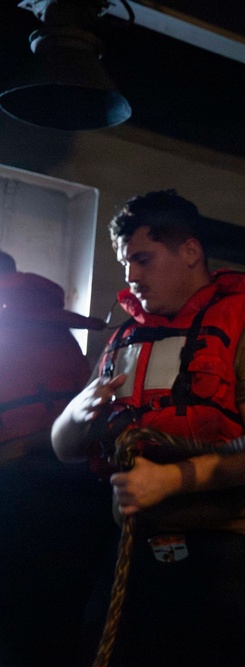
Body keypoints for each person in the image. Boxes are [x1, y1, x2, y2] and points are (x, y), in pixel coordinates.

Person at [51, 190, 245, 667]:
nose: (132, 276)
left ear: (190, 252)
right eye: (127, 263)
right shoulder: (124, 342)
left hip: (228, 553)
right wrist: (78, 411)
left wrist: (170, 480)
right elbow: (64, 446)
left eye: (143, 259)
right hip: (134, 547)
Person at [0, 252, 116, 667]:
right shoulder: (58, 328)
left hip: (14, 494)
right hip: (85, 491)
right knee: (70, 627)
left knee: (14, 634)